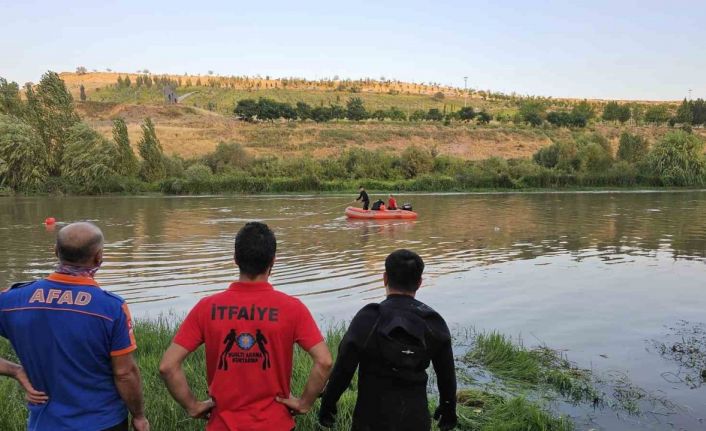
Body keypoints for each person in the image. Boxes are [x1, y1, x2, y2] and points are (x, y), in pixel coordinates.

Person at [159, 222, 332, 431]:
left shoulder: (207, 307)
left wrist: (193, 406)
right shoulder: (292, 308)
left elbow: (168, 366)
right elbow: (324, 361)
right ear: (273, 261)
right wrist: (304, 403)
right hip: (276, 424)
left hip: (223, 425)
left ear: (235, 259)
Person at [0, 222, 149, 431]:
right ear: (98, 257)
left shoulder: (12, 300)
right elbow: (124, 374)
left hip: (45, 423)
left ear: (55, 252)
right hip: (103, 422)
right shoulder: (110, 307)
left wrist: (15, 370)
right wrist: (139, 415)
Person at [319, 249, 457, 431]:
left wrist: (328, 403)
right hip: (415, 418)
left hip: (370, 419)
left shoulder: (368, 317)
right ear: (419, 283)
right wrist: (448, 407)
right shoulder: (432, 321)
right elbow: (446, 374)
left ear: (385, 278)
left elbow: (344, 369)